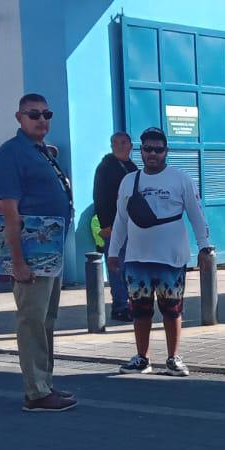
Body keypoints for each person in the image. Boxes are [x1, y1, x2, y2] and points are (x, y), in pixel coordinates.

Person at [0, 93, 76, 413]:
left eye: (46, 113)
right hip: (32, 254)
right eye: (34, 114)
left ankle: (45, 382)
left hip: (50, 252)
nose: (42, 119)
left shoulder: (41, 152)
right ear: (19, 117)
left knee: (46, 320)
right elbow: (10, 211)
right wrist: (18, 262)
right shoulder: (12, 153)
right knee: (31, 320)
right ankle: (36, 391)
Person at [108, 128, 212, 377]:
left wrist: (204, 246)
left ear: (166, 151)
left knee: (172, 309)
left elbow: (196, 215)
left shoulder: (180, 179)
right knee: (140, 310)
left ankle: (173, 358)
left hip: (171, 258)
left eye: (158, 149)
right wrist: (113, 252)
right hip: (137, 258)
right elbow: (121, 220)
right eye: (147, 149)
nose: (153, 154)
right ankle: (142, 358)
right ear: (140, 151)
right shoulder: (129, 181)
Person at [93, 131, 139, 323]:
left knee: (130, 267)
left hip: (133, 226)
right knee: (116, 266)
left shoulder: (133, 167)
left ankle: (132, 303)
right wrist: (105, 225)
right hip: (114, 227)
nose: (119, 146)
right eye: (115, 143)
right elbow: (100, 196)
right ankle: (119, 306)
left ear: (130, 145)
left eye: (123, 142)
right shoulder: (106, 167)